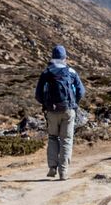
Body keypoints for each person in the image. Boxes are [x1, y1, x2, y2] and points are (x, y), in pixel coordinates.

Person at [34, 45, 85, 180]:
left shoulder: (46, 72)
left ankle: (52, 167)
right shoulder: (71, 72)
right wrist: (74, 104)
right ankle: (63, 172)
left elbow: (38, 95)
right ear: (65, 57)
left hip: (51, 111)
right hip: (68, 110)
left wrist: (46, 104)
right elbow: (81, 91)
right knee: (66, 140)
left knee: (52, 138)